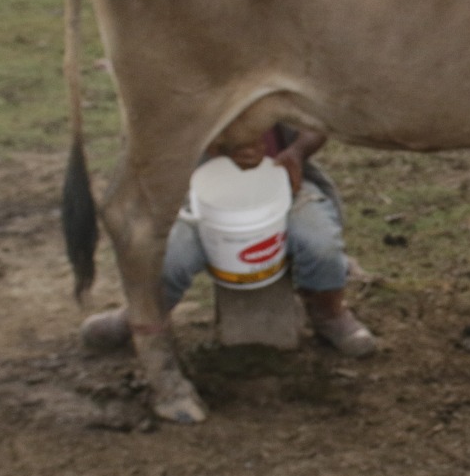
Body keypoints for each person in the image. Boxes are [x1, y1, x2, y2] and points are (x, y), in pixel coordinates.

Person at [80, 125, 376, 358]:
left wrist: (296, 152)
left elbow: (317, 120)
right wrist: (216, 142)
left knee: (320, 244)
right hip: (202, 187)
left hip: (283, 179)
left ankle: (329, 313)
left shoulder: (285, 54)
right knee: (170, 257)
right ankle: (141, 314)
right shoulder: (184, 58)